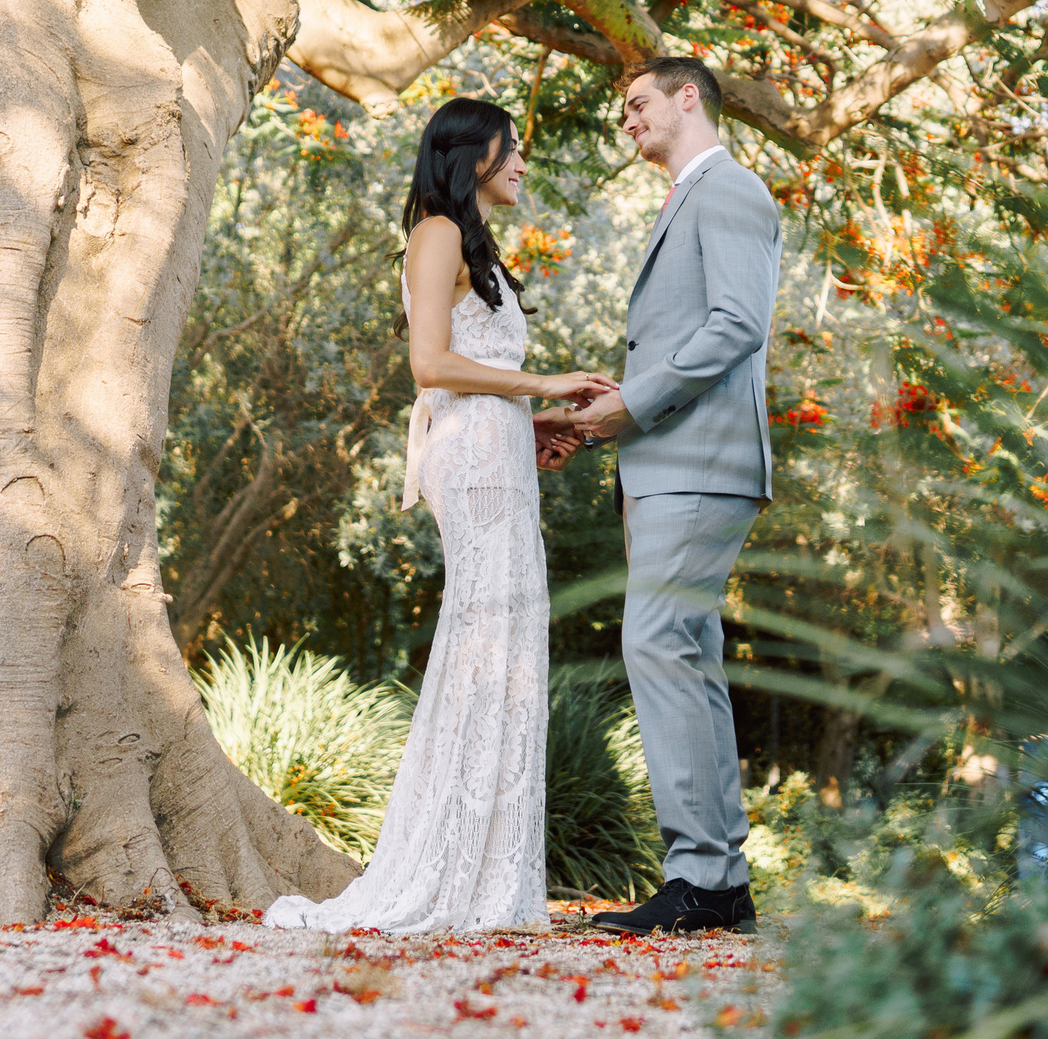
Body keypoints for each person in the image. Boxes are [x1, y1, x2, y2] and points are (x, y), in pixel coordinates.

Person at [265, 97, 610, 935]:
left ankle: (490, 875)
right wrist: (545, 384)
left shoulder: (472, 244)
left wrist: (533, 428)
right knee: (486, 635)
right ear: (469, 152)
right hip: (470, 460)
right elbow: (429, 363)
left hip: (496, 456)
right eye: (512, 146)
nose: (523, 160)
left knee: (513, 638)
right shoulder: (436, 233)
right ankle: (446, 870)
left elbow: (469, 369)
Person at [567, 57, 782, 936]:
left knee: (655, 638)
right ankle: (718, 880)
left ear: (688, 96)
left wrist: (635, 401)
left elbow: (737, 322)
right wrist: (603, 413)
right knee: (685, 651)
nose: (628, 122)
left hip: (698, 461)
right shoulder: (691, 196)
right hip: (670, 465)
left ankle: (700, 878)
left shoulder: (728, 189)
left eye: (638, 104)